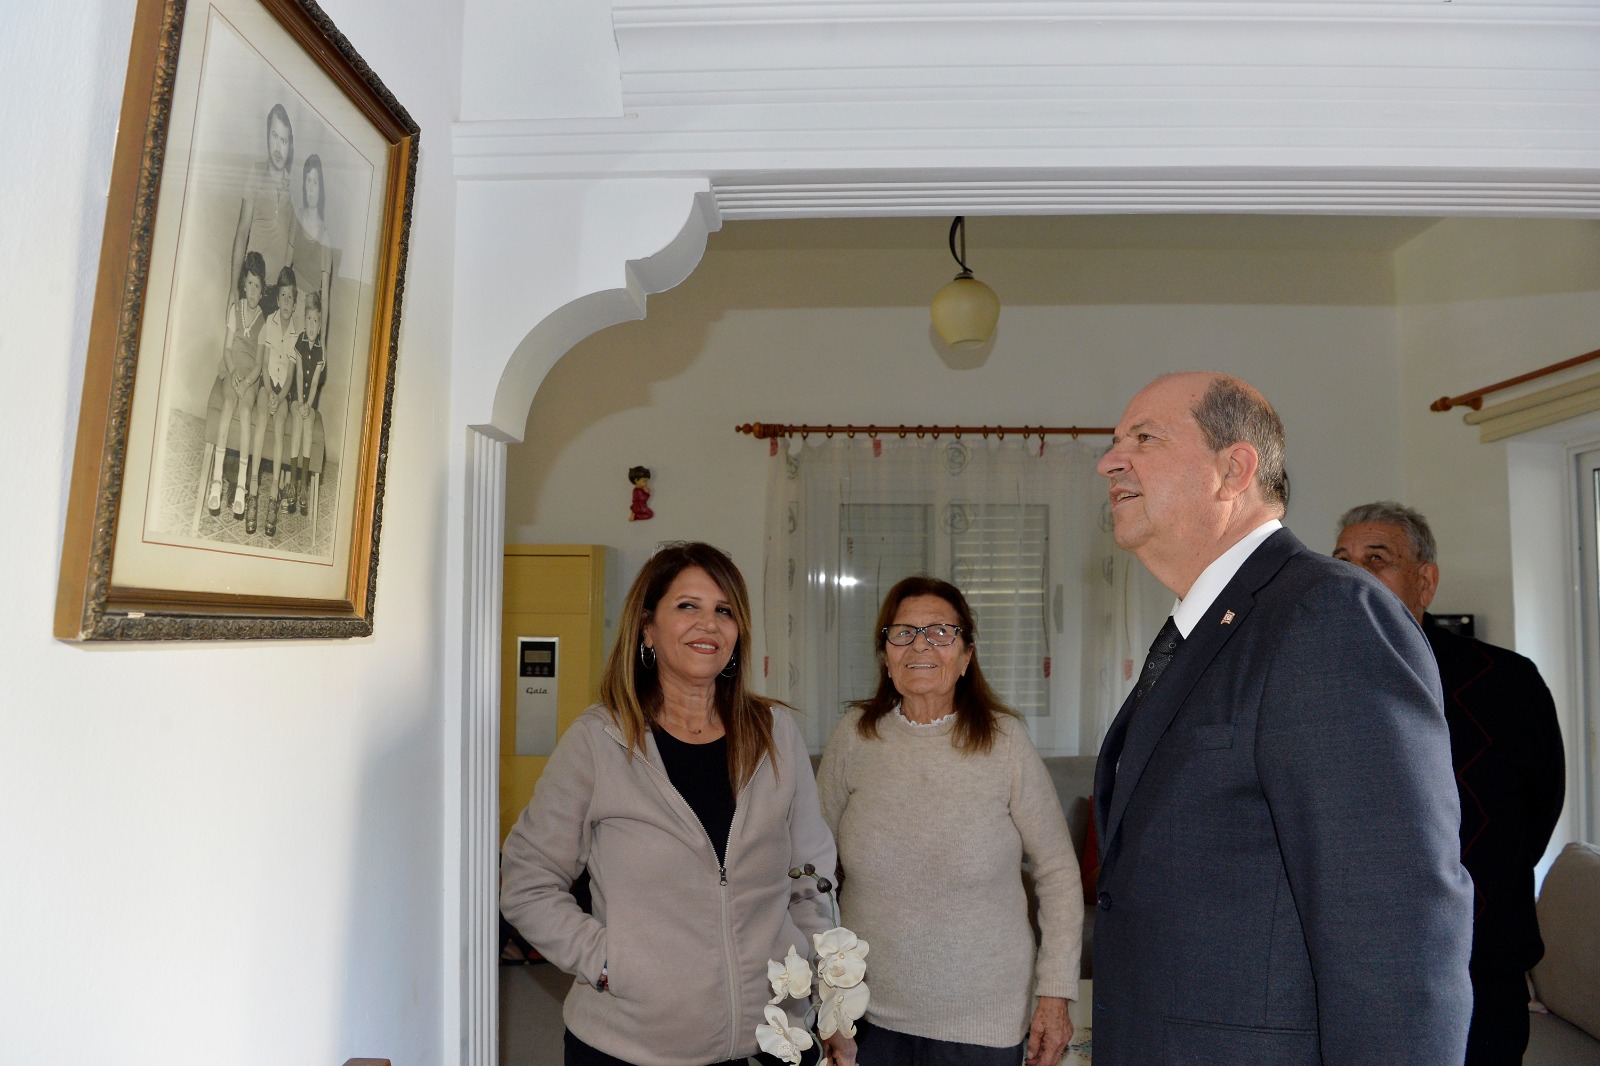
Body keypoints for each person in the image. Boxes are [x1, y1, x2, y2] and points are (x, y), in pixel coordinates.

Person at [1091, 371, 1473, 1065]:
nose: (1110, 462)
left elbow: (1393, 923)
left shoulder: (1325, 614)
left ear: (1234, 470)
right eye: (1116, 443)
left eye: (1144, 439)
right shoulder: (1213, 623)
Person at [500, 542, 850, 1066]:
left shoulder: (775, 733)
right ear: (647, 627)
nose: (709, 624)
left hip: (771, 1039)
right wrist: (608, 964)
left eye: (724, 610)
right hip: (628, 1047)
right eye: (688, 606)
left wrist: (827, 997)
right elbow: (527, 880)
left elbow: (811, 875)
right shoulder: (598, 741)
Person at [816, 576, 1082, 1066]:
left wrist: (1055, 992)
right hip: (865, 1019)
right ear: (885, 656)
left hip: (983, 1025)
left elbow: (1059, 873)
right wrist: (825, 1001)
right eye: (903, 633)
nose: (920, 645)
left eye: (941, 632)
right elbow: (812, 875)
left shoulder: (1005, 742)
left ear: (966, 656)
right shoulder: (854, 737)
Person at [1335, 501, 1566, 1065]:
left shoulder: (1505, 681)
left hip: (1481, 952)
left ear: (1425, 582)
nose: (1354, 574)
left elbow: (1540, 807)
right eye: (1341, 561)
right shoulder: (1312, 676)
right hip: (1353, 961)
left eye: (1377, 558)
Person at [205, 251, 267, 520]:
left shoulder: (263, 322)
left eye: (257, 285)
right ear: (244, 284)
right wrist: (232, 374)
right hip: (232, 371)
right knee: (229, 403)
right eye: (249, 283)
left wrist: (248, 381)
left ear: (262, 291)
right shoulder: (235, 310)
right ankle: (216, 480)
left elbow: (259, 364)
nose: (252, 290)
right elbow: (227, 349)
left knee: (245, 410)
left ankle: (241, 485)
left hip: (250, 377)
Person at [231, 104, 297, 318]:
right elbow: (242, 231)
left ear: (290, 146)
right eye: (274, 136)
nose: (278, 146)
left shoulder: (294, 189)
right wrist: (233, 287)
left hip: (274, 296)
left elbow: (290, 245)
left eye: (284, 140)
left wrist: (280, 289)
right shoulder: (256, 173)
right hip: (251, 283)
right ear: (267, 136)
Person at [248, 267, 298, 536]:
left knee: (279, 428)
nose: (286, 302)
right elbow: (266, 364)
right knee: (260, 421)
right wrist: (268, 393)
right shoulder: (270, 322)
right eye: (283, 296)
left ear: (295, 302)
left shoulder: (297, 335)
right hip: (267, 385)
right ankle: (253, 490)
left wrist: (279, 398)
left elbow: (289, 376)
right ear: (277, 299)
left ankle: (273, 494)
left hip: (283, 392)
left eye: (291, 297)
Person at [287, 290, 326, 520]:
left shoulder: (321, 351)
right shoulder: (300, 341)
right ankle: (292, 481)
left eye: (315, 321)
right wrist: (300, 403)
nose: (311, 325)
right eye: (309, 319)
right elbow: (300, 374)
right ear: (304, 320)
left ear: (319, 326)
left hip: (310, 403)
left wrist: (308, 406)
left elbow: (314, 383)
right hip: (296, 399)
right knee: (297, 424)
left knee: (308, 424)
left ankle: (303, 485)